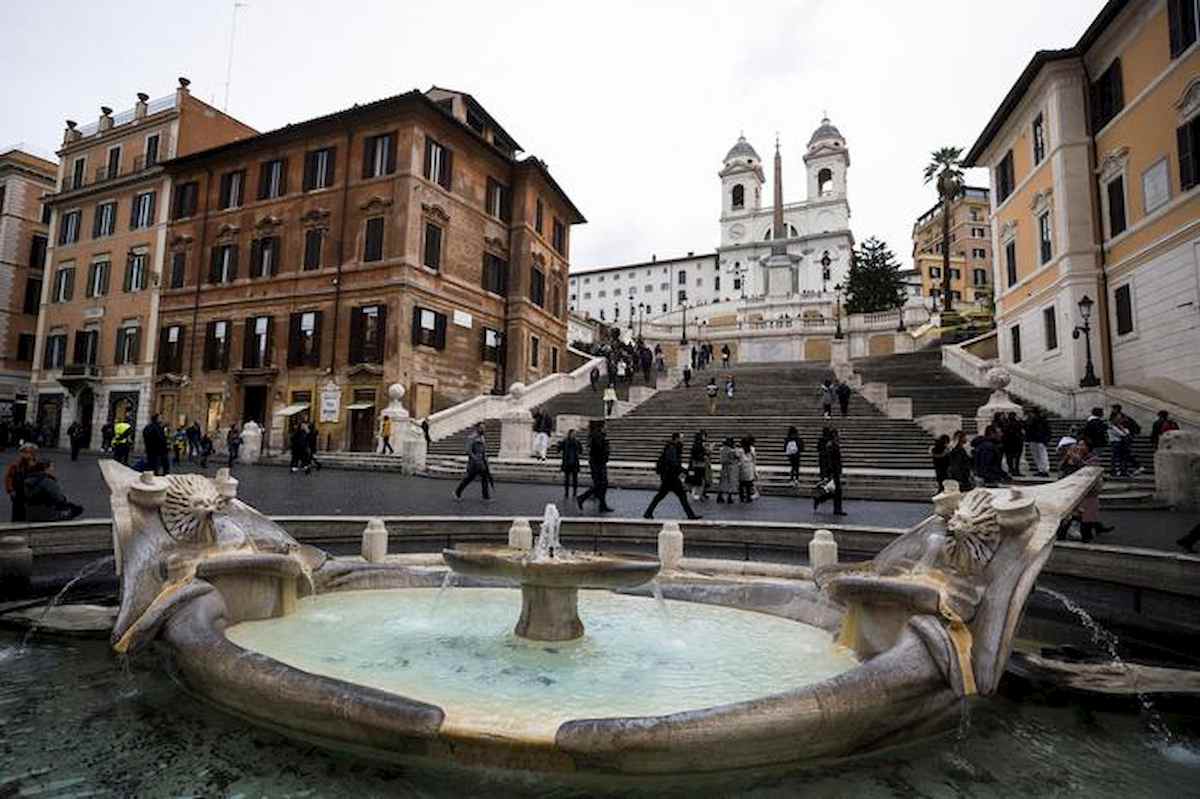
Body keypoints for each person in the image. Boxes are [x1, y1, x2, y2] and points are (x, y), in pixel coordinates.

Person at [643, 433, 701, 520]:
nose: (683, 439)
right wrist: (685, 471)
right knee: (680, 496)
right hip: (671, 477)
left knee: (662, 496)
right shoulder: (672, 448)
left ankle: (648, 513)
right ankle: (690, 515)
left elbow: (675, 463)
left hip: (669, 477)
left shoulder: (673, 447)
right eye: (682, 438)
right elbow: (674, 463)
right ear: (676, 438)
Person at [577, 422, 614, 513]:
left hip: (598, 462)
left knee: (603, 484)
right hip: (598, 463)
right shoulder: (597, 436)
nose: (606, 428)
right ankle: (582, 497)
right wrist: (606, 446)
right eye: (605, 426)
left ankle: (602, 505)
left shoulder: (598, 436)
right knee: (600, 484)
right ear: (601, 427)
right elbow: (599, 449)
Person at [454, 423, 491, 501]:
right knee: (469, 478)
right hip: (474, 462)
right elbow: (468, 450)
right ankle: (457, 492)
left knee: (485, 478)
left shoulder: (482, 437)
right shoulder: (472, 437)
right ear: (477, 428)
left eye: (484, 428)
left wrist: (485, 460)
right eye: (481, 428)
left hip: (482, 461)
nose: (483, 429)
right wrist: (475, 458)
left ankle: (486, 496)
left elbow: (483, 450)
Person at [814, 427, 847, 515]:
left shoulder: (834, 444)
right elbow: (830, 459)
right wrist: (831, 472)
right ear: (834, 435)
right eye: (838, 434)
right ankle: (837, 510)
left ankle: (819, 499)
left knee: (835, 491)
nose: (839, 435)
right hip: (833, 471)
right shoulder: (831, 445)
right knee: (838, 491)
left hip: (835, 470)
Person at [5, 443, 37, 522]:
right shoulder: (16, 465)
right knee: (17, 515)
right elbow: (9, 477)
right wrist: (10, 490)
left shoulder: (37, 465)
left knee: (30, 515)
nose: (28, 455)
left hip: (32, 494)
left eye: (30, 452)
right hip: (18, 493)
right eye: (25, 452)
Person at [1108, 404, 1142, 477]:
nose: (1119, 419)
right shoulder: (1113, 425)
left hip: (1120, 442)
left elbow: (1125, 432)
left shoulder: (1122, 419)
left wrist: (1124, 430)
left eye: (1120, 418)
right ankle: (1121, 470)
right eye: (1118, 418)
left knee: (1122, 456)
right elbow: (1122, 433)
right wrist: (1124, 431)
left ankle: (1122, 470)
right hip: (1118, 441)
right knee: (1120, 456)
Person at [1024, 407, 1052, 478]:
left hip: (1040, 439)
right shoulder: (1031, 420)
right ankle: (1040, 470)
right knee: (1036, 456)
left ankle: (1045, 470)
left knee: (1042, 455)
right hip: (1034, 439)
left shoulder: (1041, 420)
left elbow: (1047, 430)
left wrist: (1046, 438)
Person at [687, 431, 710, 502]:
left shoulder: (695, 444)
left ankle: (696, 494)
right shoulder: (699, 445)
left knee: (696, 481)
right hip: (699, 465)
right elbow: (698, 455)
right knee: (699, 481)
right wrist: (704, 456)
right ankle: (696, 495)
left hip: (695, 465)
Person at [558, 428, 581, 497]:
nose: (574, 435)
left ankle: (574, 492)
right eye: (573, 433)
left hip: (574, 462)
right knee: (567, 479)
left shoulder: (577, 442)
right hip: (567, 462)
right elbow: (559, 449)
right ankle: (567, 492)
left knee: (575, 479)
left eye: (574, 434)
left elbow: (581, 450)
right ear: (569, 434)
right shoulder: (565, 441)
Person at [1001, 412, 1025, 476]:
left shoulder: (1008, 423)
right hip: (1012, 443)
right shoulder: (1012, 423)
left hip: (1013, 443)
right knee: (1012, 458)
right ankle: (1014, 470)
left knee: (1013, 458)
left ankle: (1013, 470)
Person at [716, 436, 739, 503]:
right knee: (730, 482)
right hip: (730, 467)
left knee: (722, 482)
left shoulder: (722, 449)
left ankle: (720, 496)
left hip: (724, 467)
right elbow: (737, 456)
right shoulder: (731, 450)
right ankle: (729, 497)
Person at [737, 436, 757, 503]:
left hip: (742, 467)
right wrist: (755, 471)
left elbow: (737, 458)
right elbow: (754, 459)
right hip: (749, 467)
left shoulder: (740, 450)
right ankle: (748, 497)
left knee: (741, 483)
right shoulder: (752, 449)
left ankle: (742, 497)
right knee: (748, 484)